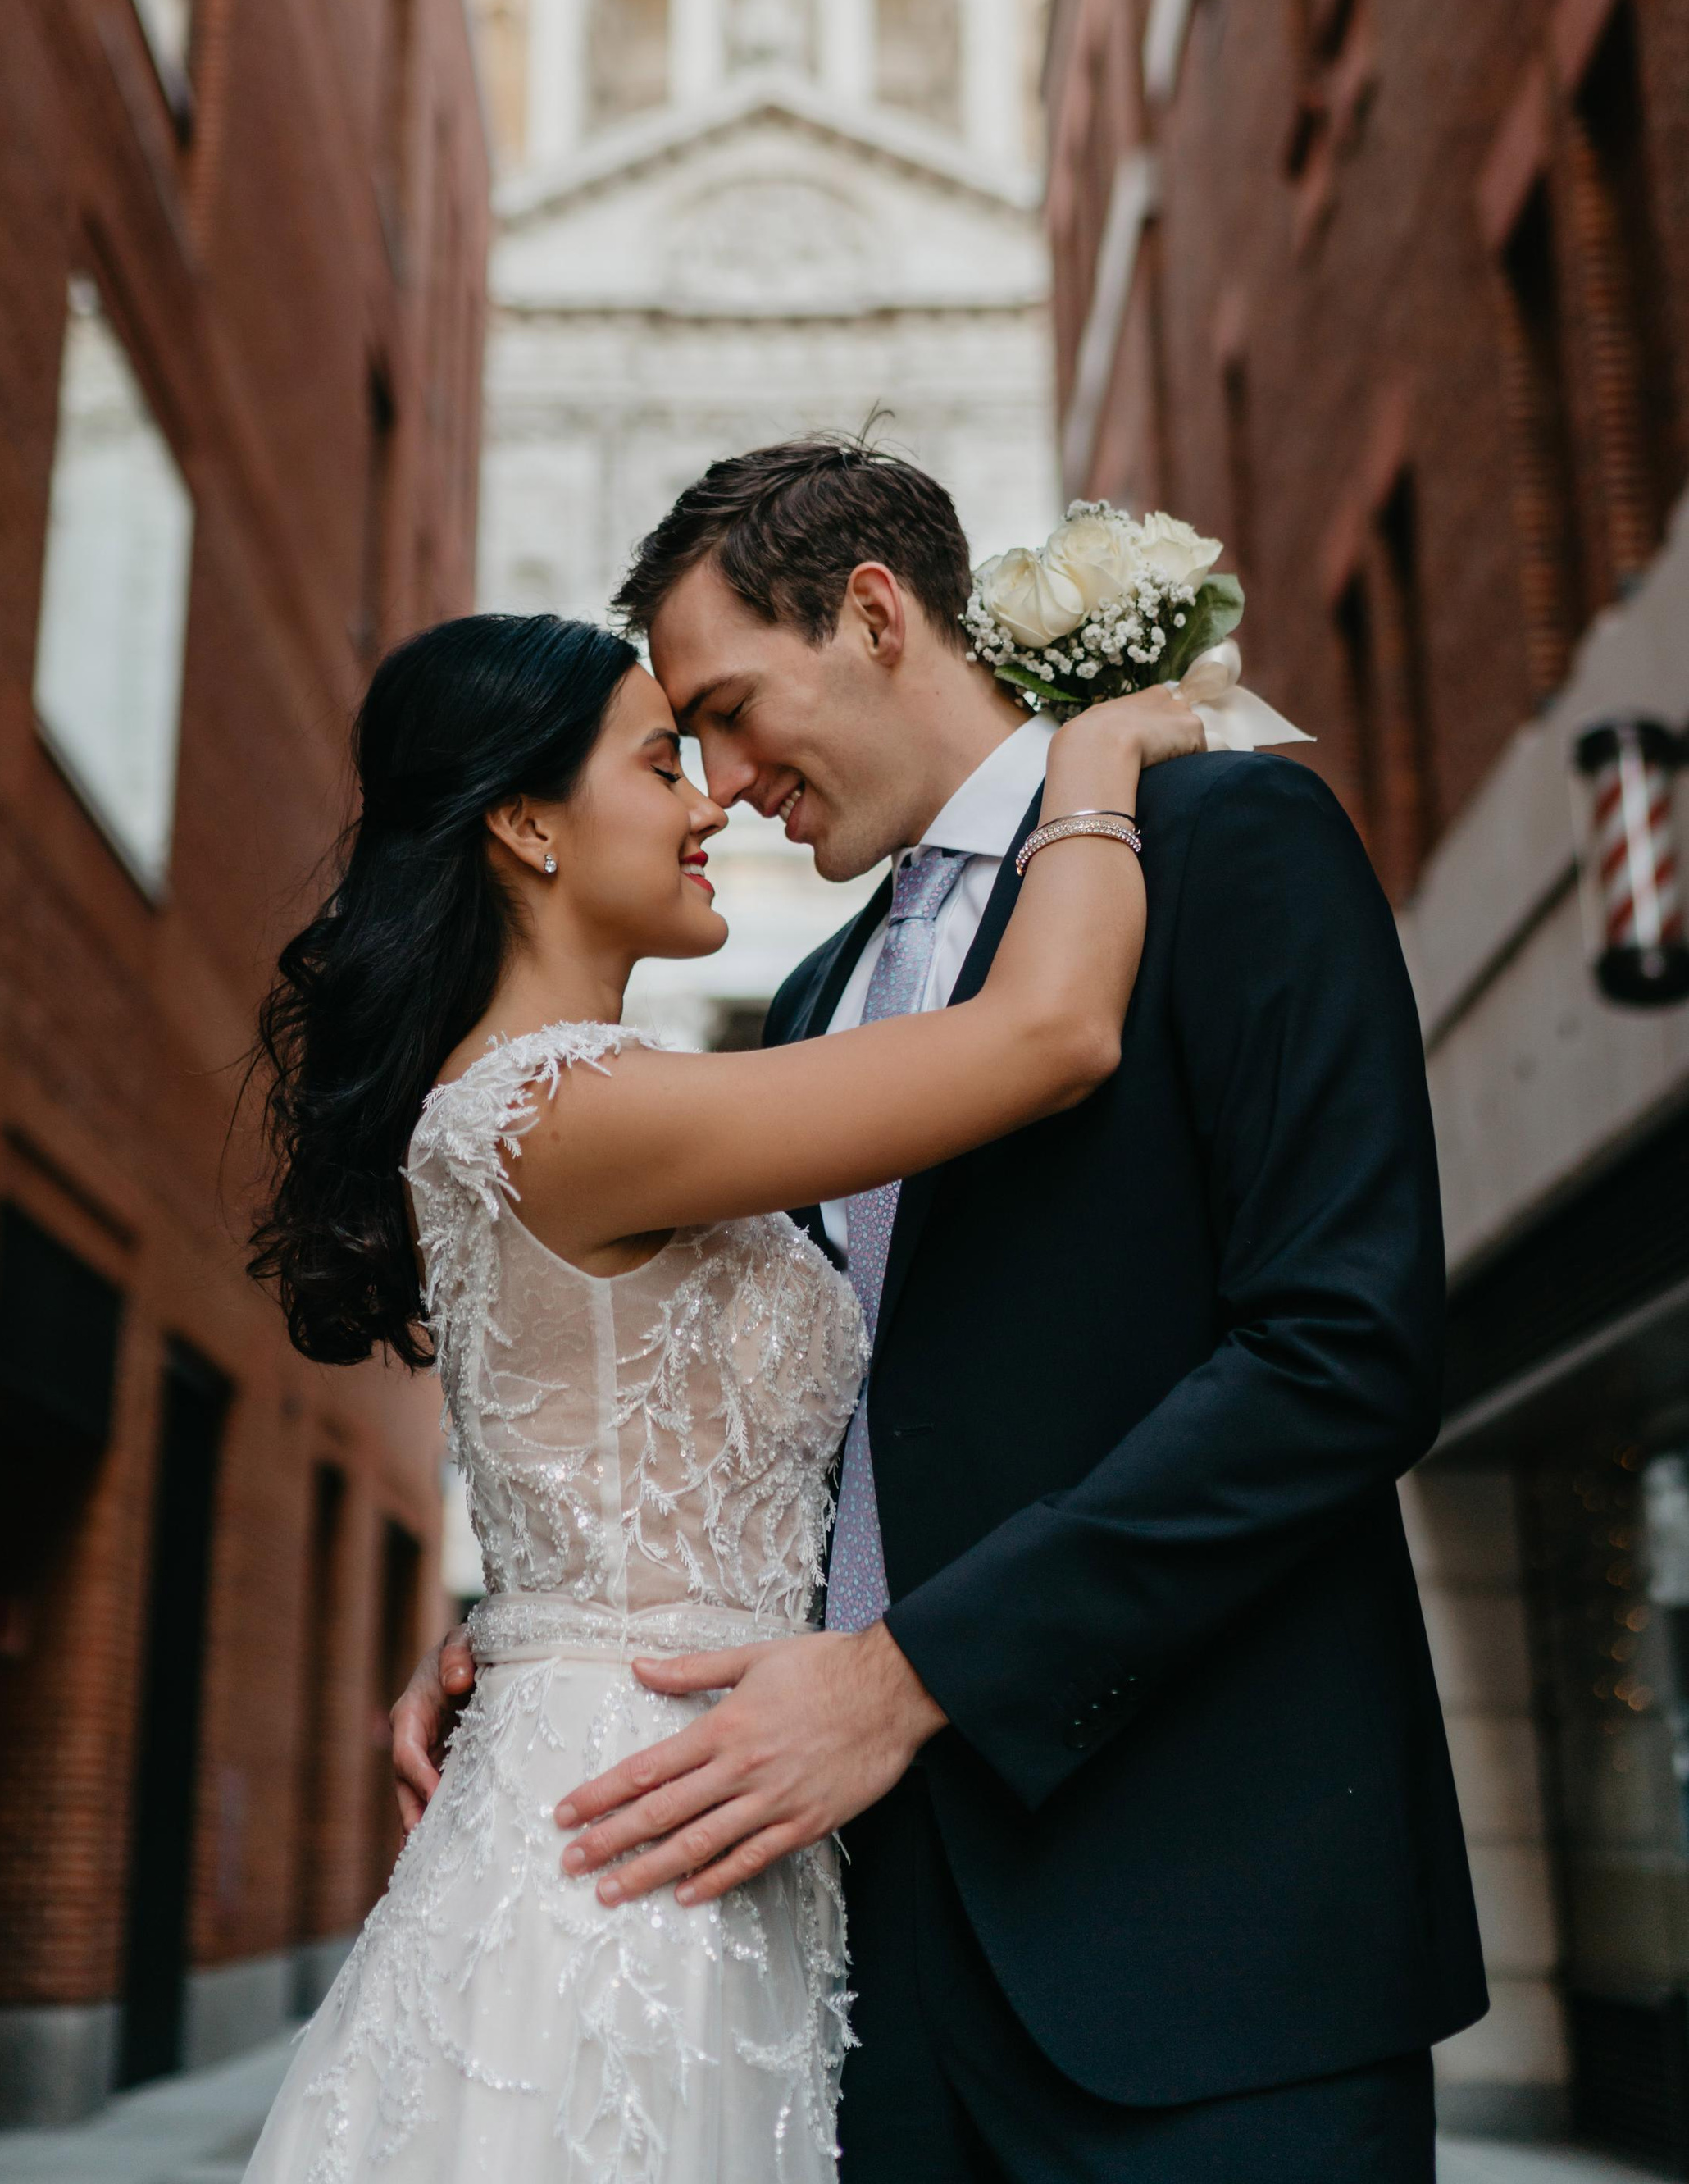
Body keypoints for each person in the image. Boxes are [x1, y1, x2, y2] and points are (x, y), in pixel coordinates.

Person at [396, 438, 1486, 2183]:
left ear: (875, 612)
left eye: (733, 709)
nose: (726, 782)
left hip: (1211, 1958)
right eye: (680, 742)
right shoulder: (815, 995)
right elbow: (802, 1404)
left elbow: (1337, 1356)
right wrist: (549, 1616)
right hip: (862, 1970)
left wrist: (916, 1674)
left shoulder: (1230, 839)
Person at [238, 603, 1199, 2184]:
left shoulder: (573, 1104)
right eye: (657, 759)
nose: (708, 803)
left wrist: (519, 1619)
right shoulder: (568, 1109)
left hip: (682, 1790)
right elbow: (1054, 1030)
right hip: (634, 1848)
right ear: (527, 823)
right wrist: (1086, 765)